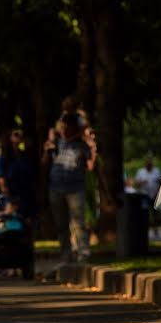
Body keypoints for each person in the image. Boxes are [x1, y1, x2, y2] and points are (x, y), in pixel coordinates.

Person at [44, 113, 96, 264]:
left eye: (66, 127)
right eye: (62, 127)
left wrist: (92, 146)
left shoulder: (82, 144)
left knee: (78, 223)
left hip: (75, 188)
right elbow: (44, 163)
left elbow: (91, 166)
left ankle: (83, 254)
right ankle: (65, 255)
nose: (63, 130)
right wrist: (48, 147)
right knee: (61, 225)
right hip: (56, 188)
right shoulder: (56, 142)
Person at [0, 129, 38, 223]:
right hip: (13, 197)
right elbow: (2, 180)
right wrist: (9, 200)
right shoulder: (4, 158)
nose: (20, 136)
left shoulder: (25, 156)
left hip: (27, 196)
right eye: (16, 134)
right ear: (9, 138)